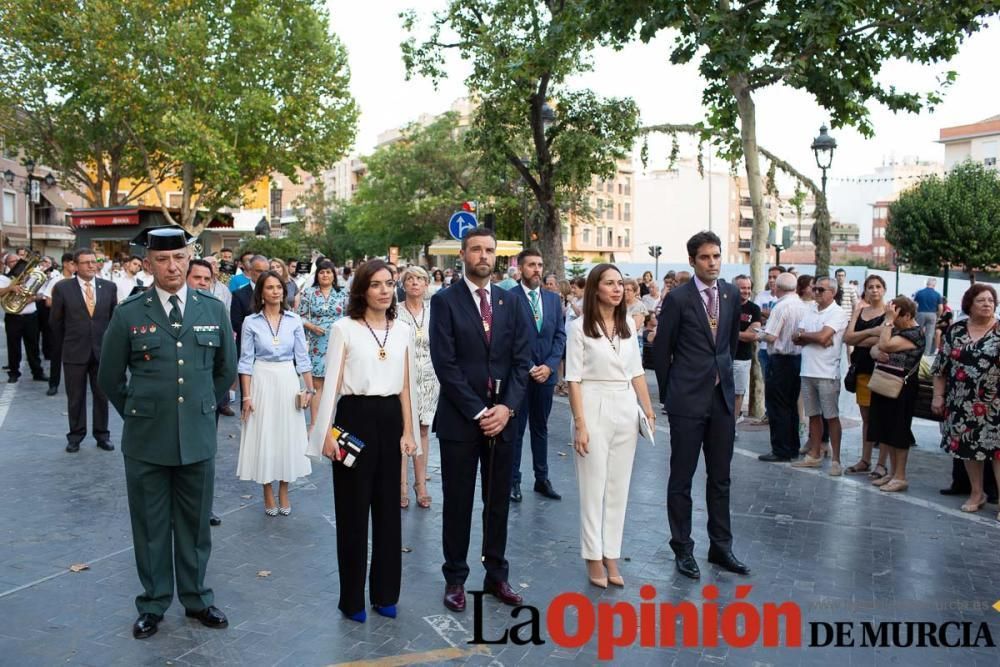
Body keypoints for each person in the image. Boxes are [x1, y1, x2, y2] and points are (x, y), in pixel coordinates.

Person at [97, 226, 236, 640]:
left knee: (195, 525)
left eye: (178, 258)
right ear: (148, 263)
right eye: (162, 259)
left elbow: (224, 371)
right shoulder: (129, 313)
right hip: (146, 441)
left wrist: (201, 410)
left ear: (190, 258)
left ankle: (196, 599)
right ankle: (154, 602)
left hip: (197, 436)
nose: (172, 266)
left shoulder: (213, 310)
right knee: (151, 524)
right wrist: (139, 413)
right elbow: (109, 377)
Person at [307, 259, 420, 623]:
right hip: (353, 420)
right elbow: (332, 384)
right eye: (376, 284)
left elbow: (406, 386)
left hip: (389, 420)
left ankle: (386, 593)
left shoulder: (401, 330)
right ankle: (352, 598)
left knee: (389, 512)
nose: (385, 290)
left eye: (389, 283)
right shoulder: (344, 329)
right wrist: (324, 431)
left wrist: (408, 431)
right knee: (353, 513)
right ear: (362, 289)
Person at [428, 228, 532, 613]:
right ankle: (455, 578)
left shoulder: (511, 301)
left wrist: (506, 408)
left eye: (489, 250)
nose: (484, 256)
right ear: (463, 254)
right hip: (461, 420)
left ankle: (496, 576)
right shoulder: (445, 302)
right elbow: (446, 363)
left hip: (504, 421)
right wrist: (478, 410)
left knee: (498, 502)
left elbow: (522, 360)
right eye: (477, 249)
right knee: (458, 502)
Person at [654, 231, 748, 580]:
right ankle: (682, 547)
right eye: (706, 257)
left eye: (717, 256)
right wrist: (670, 395)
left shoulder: (731, 293)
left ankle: (721, 546)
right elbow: (662, 351)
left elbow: (729, 342)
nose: (713, 263)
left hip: (721, 399)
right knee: (681, 478)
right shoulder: (678, 299)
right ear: (692, 260)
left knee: (721, 477)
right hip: (686, 400)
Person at [567, 263, 655, 588]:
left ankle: (612, 553)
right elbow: (573, 378)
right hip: (593, 403)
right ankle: (592, 556)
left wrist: (648, 409)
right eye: (609, 283)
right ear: (595, 288)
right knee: (593, 488)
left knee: (619, 487)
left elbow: (637, 371)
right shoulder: (578, 328)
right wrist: (580, 424)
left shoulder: (629, 325)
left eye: (620, 283)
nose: (617, 289)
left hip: (624, 405)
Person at [237, 270, 314, 515]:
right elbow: (245, 362)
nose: (275, 291)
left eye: (279, 287)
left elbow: (302, 358)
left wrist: (309, 389)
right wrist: (246, 397)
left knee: (287, 435)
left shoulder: (293, 320)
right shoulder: (251, 322)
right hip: (261, 379)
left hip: (287, 379)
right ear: (261, 292)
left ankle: (284, 489)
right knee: (265, 434)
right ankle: (268, 492)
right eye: (269, 287)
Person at [932, 283, 1000, 515]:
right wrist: (938, 396)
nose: (987, 304)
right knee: (969, 448)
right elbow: (940, 367)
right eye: (981, 300)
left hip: (995, 403)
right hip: (962, 402)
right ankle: (976, 492)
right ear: (969, 304)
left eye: (991, 300)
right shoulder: (956, 331)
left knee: (998, 451)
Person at [508, 249, 567, 503]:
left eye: (540, 265)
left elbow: (560, 336)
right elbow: (507, 338)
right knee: (517, 430)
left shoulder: (553, 300)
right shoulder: (509, 298)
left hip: (546, 376)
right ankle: (513, 480)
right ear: (520, 268)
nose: (537, 269)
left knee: (541, 428)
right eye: (531, 265)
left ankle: (542, 479)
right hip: (520, 376)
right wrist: (530, 366)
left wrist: (550, 366)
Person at [49, 249, 117, 453]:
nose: (90, 265)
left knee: (102, 396)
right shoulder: (62, 288)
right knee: (75, 397)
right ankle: (75, 436)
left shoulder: (109, 287)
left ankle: (102, 435)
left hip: (101, 351)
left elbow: (114, 320)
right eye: (85, 262)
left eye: (93, 262)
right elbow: (55, 322)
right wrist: (66, 346)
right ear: (75, 265)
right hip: (74, 351)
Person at [790, 276, 849, 475]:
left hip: (827, 372)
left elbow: (824, 337)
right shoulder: (810, 310)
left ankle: (836, 460)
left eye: (821, 290)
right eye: (815, 289)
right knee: (812, 415)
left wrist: (809, 336)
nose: (816, 292)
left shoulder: (838, 313)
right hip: (807, 370)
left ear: (832, 292)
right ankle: (814, 454)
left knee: (831, 416)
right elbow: (796, 337)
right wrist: (814, 337)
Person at [866, 296, 924, 493]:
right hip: (885, 384)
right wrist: (875, 353)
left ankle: (900, 476)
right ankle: (891, 473)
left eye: (895, 315)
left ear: (907, 315)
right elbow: (875, 347)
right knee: (887, 430)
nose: (891, 319)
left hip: (902, 388)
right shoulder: (896, 329)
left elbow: (886, 345)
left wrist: (888, 322)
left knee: (899, 432)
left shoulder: (915, 333)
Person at [397, 265, 439, 509]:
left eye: (419, 279)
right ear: (403, 285)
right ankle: (401, 484)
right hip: (404, 377)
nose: (414, 283)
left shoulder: (434, 312)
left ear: (426, 285)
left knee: (423, 429)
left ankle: (420, 483)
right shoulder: (395, 312)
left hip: (430, 377)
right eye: (410, 279)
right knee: (404, 429)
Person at [756, 272, 809, 462]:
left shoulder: (781, 307)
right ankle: (793, 446)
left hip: (780, 359)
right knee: (791, 405)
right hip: (797, 359)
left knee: (777, 406)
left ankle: (780, 449)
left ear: (777, 288)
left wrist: (759, 334)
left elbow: (771, 336)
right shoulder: (802, 306)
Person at [843, 276, 890, 478]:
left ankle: (881, 463)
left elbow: (886, 340)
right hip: (861, 370)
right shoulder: (859, 311)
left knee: (883, 417)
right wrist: (872, 333)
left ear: (884, 289)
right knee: (867, 419)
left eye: (878, 286)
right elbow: (847, 337)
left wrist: (862, 337)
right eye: (870, 287)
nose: (874, 290)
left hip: (882, 371)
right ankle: (865, 459)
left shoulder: (890, 313)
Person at [297, 259, 347, 428]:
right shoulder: (309, 293)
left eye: (328, 272)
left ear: (334, 275)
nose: (325, 275)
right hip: (317, 342)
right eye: (322, 272)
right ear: (317, 275)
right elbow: (299, 316)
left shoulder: (342, 293)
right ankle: (315, 423)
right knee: (318, 384)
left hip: (338, 341)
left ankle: (329, 423)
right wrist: (311, 326)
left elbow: (350, 316)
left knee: (334, 384)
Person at [0, 254, 47, 383]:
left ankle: (37, 372)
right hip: (13, 317)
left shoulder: (33, 275)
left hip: (31, 316)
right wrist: (10, 287)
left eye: (17, 260)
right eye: (12, 261)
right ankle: (14, 373)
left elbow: (42, 294)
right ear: (7, 264)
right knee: (13, 346)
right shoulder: (3, 279)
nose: (15, 263)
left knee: (33, 346)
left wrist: (32, 298)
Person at [39, 252, 76, 396]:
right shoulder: (56, 280)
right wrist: (66, 304)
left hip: (75, 322)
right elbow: (48, 301)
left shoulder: (77, 280)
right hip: (60, 323)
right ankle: (53, 384)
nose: (75, 266)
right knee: (56, 354)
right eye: (73, 263)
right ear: (65, 263)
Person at [733, 275, 762, 422]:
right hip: (722, 356)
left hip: (742, 358)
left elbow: (753, 335)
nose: (746, 291)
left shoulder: (754, 309)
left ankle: (733, 424)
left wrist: (729, 332)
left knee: (738, 393)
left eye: (749, 288)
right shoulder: (723, 305)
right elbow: (713, 326)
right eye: (743, 288)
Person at [231, 255, 269, 358]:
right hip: (248, 351)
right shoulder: (238, 295)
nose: (263, 275)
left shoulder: (276, 293)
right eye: (259, 271)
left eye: (266, 271)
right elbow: (236, 324)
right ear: (250, 271)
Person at [913, 277, 943, 356]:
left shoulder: (919, 292)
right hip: (932, 314)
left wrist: (916, 314)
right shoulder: (937, 294)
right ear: (934, 285)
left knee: (918, 332)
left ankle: (916, 349)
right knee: (929, 334)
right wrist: (937, 316)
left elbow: (915, 305)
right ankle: (926, 353)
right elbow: (940, 308)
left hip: (921, 313)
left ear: (927, 283)